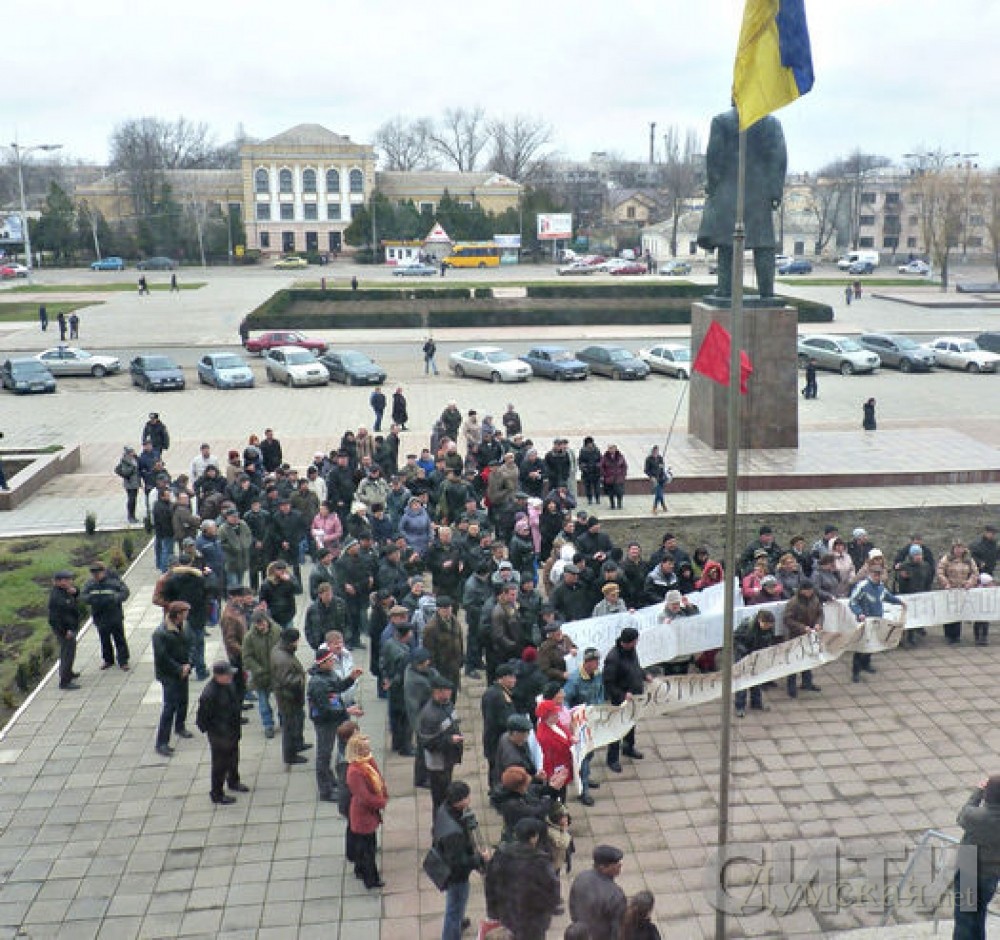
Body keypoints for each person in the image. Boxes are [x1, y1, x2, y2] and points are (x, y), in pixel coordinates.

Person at [697, 106, 787, 299]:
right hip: (760, 193)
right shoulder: (771, 123)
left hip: (729, 192)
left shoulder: (721, 121)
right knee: (763, 244)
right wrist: (775, 191)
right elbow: (779, 159)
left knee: (727, 244)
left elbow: (714, 158)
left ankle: (725, 290)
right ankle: (767, 293)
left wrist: (713, 186)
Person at [484, 817, 562, 940]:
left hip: (507, 915)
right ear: (534, 838)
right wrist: (551, 909)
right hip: (533, 920)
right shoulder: (540, 862)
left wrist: (492, 912)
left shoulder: (501, 855)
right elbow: (552, 888)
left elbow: (490, 883)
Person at [308, 644, 364, 802]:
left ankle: (331, 781)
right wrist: (347, 711)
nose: (333, 662)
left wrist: (351, 678)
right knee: (324, 755)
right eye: (330, 660)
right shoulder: (318, 684)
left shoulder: (329, 674)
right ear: (322, 663)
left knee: (329, 753)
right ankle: (325, 791)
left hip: (334, 717)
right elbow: (325, 709)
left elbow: (337, 688)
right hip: (324, 722)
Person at [433, 780, 487, 940]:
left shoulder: (444, 809)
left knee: (456, 905)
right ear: (459, 801)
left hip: (447, 861)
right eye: (467, 797)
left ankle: (459, 922)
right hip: (456, 876)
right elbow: (459, 863)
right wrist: (479, 858)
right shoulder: (454, 834)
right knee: (454, 907)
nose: (470, 799)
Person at [953, 774, 1000, 940]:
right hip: (992, 872)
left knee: (964, 918)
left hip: (968, 866)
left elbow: (962, 815)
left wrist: (978, 791)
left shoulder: (975, 816)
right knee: (980, 914)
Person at [195, 660, 248, 805]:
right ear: (218, 676)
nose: (230, 676)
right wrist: (214, 732)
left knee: (233, 758)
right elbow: (202, 719)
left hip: (232, 730)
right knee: (220, 765)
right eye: (227, 674)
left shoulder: (228, 685)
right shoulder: (209, 694)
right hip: (219, 735)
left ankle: (233, 781)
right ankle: (217, 793)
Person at [345, 734, 388, 889]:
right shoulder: (354, 771)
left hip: (368, 813)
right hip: (363, 815)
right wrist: (381, 802)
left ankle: (360, 870)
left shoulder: (367, 762)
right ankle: (371, 879)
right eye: (365, 748)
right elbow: (364, 796)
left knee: (364, 846)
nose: (368, 750)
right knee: (368, 848)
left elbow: (378, 779)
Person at [603, 627, 649, 773]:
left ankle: (628, 748)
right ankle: (612, 759)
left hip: (634, 696)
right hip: (620, 700)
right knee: (617, 728)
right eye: (635, 641)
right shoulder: (613, 658)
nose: (637, 643)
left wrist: (644, 675)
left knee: (631, 723)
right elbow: (608, 682)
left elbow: (635, 667)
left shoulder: (632, 651)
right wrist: (622, 695)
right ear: (628, 642)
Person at [848, 566, 905, 682]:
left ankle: (866, 664)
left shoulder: (881, 587)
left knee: (873, 643)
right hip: (865, 621)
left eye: (879, 574)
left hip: (878, 620)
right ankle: (855, 672)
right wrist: (859, 613)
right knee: (860, 647)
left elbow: (887, 596)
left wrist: (899, 602)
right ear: (870, 574)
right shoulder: (862, 586)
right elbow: (852, 602)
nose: (877, 577)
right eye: (875, 574)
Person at [563, 647, 605, 806]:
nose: (598, 664)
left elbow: (600, 692)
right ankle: (583, 790)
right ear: (587, 662)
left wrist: (599, 706)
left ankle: (584, 776)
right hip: (580, 724)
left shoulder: (598, 674)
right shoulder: (575, 679)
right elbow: (565, 700)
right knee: (583, 756)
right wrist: (572, 716)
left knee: (590, 752)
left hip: (592, 719)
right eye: (595, 662)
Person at [418, 675, 465, 815]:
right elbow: (428, 742)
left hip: (448, 758)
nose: (450, 693)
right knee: (440, 799)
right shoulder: (430, 715)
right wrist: (450, 740)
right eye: (447, 690)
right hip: (438, 764)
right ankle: (440, 823)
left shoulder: (447, 704)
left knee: (447, 794)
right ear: (437, 692)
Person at [152, 600, 193, 755]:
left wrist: (189, 664)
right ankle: (162, 742)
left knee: (183, 700)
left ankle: (180, 726)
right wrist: (179, 669)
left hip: (184, 670)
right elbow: (162, 657)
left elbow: (191, 645)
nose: (187, 615)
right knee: (169, 707)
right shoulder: (160, 633)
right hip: (169, 675)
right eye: (185, 613)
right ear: (177, 615)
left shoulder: (185, 626)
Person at [568, 845, 627, 940]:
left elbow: (572, 906)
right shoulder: (616, 895)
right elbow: (617, 929)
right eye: (615, 863)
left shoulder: (581, 878)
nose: (620, 865)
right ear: (603, 867)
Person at [80, 560, 131, 671]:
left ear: (103, 571)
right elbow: (83, 596)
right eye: (93, 573)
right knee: (104, 639)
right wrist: (92, 599)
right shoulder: (90, 584)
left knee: (119, 638)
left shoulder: (114, 581)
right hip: (99, 616)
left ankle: (123, 661)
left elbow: (125, 592)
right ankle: (108, 660)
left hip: (114, 614)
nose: (96, 575)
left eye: (98, 573)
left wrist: (114, 598)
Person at [271, 626, 309, 767]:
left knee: (298, 721)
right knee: (289, 727)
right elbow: (287, 681)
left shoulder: (281, 650)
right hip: (288, 699)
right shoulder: (283, 659)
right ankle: (290, 755)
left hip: (291, 697)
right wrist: (302, 677)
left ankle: (298, 744)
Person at [241, 609, 280, 738]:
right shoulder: (249, 637)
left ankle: (283, 721)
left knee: (281, 700)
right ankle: (268, 725)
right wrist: (257, 669)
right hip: (260, 676)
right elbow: (247, 657)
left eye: (262, 623)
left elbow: (284, 648)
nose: (261, 626)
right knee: (263, 703)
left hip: (277, 673)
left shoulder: (277, 631)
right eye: (258, 624)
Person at [734, 608, 777, 717]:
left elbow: (770, 640)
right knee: (742, 682)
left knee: (757, 680)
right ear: (759, 620)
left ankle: (756, 703)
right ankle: (740, 707)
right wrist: (743, 650)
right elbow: (735, 639)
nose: (767, 627)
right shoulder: (746, 626)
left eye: (769, 625)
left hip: (758, 656)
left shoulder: (770, 628)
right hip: (743, 656)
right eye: (765, 624)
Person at [782, 582, 822, 697]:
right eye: (808, 590)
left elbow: (820, 614)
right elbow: (787, 620)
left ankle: (807, 683)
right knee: (793, 662)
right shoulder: (793, 603)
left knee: (808, 659)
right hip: (794, 636)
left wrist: (818, 623)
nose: (810, 592)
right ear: (801, 590)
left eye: (811, 590)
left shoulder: (815, 600)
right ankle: (791, 687)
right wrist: (802, 627)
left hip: (809, 635)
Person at [48, 570, 82, 690]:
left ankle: (68, 672)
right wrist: (65, 631)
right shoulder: (57, 597)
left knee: (69, 652)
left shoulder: (65, 591)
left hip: (70, 627)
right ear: (58, 582)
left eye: (70, 579)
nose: (70, 582)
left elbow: (74, 596)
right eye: (67, 580)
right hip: (65, 630)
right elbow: (54, 619)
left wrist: (75, 592)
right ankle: (65, 681)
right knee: (67, 654)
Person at [114, 445, 142, 523]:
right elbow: (126, 472)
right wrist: (133, 467)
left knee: (134, 500)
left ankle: (133, 515)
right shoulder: (125, 461)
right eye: (131, 452)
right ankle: (130, 516)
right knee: (131, 500)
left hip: (135, 483)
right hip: (129, 484)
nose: (133, 453)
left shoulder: (135, 459)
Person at [643, 445, 668, 514]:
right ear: (652, 451)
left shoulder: (660, 458)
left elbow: (662, 468)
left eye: (657, 451)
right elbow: (646, 470)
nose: (655, 453)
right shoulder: (648, 459)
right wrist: (651, 477)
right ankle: (656, 507)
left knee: (659, 493)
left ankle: (662, 506)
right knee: (659, 492)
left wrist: (664, 476)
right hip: (654, 479)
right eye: (654, 451)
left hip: (661, 478)